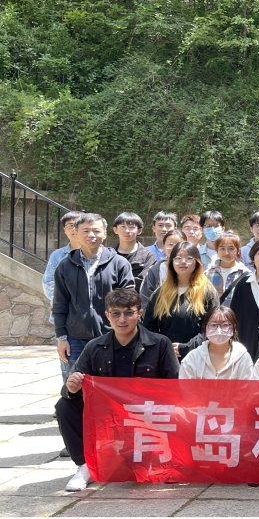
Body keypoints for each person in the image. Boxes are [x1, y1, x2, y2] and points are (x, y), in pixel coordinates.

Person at [56, 289, 178, 492]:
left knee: (136, 470)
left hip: (146, 417)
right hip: (109, 418)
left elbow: (175, 389)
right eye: (116, 313)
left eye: (129, 313)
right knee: (65, 405)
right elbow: (68, 388)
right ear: (107, 315)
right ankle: (85, 466)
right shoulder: (95, 347)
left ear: (139, 313)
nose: (122, 319)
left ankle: (161, 457)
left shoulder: (160, 344)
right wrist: (72, 387)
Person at [52, 213, 136, 370]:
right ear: (76, 233)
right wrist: (61, 338)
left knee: (110, 382)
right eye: (85, 231)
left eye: (96, 231)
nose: (91, 235)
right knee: (75, 382)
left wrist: (126, 333)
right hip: (75, 339)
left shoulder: (119, 263)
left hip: (111, 336)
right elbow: (59, 303)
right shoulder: (65, 266)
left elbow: (129, 302)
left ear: (105, 234)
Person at [143, 241, 218, 360]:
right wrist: (164, 346)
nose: (183, 262)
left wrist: (187, 347)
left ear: (197, 262)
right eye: (178, 258)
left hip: (198, 358)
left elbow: (213, 328)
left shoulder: (208, 292)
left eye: (189, 258)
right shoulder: (160, 293)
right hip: (165, 359)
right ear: (171, 262)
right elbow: (149, 327)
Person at [45, 211, 83, 385]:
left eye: (77, 225)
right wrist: (70, 302)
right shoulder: (58, 256)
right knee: (69, 367)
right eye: (70, 226)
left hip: (92, 320)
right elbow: (49, 284)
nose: (74, 229)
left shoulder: (98, 255)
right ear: (65, 230)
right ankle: (69, 399)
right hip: (66, 319)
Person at [178, 306, 254, 380]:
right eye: (213, 325)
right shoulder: (192, 358)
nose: (219, 330)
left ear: (234, 328)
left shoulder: (243, 358)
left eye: (225, 325)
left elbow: (248, 387)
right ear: (205, 327)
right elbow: (185, 387)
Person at [139, 230, 185, 310]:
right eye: (170, 244)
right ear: (163, 246)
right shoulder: (155, 270)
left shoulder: (192, 268)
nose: (174, 248)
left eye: (178, 245)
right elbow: (145, 298)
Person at [112, 212, 157, 289]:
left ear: (139, 231)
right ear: (115, 230)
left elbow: (145, 283)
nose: (127, 230)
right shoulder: (109, 255)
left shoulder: (148, 256)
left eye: (131, 227)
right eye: (123, 226)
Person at [205, 230, 248, 304]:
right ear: (217, 250)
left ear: (238, 250)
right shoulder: (207, 274)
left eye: (231, 248)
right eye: (222, 248)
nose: (226, 253)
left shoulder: (246, 275)